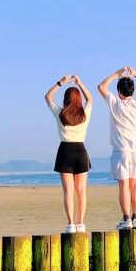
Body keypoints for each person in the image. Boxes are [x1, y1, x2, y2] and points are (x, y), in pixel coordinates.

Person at [97, 66, 136, 230]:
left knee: (124, 185)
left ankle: (126, 218)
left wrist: (116, 74)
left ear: (119, 91)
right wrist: (135, 74)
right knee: (135, 184)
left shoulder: (116, 104)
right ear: (132, 91)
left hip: (121, 150)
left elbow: (101, 87)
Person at [45, 74, 93, 233]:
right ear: (79, 100)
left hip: (65, 151)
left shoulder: (60, 114)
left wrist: (60, 82)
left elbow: (48, 97)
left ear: (65, 99)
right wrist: (80, 83)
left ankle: (71, 223)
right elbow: (90, 100)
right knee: (81, 191)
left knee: (68, 191)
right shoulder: (84, 115)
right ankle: (81, 222)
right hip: (80, 151)